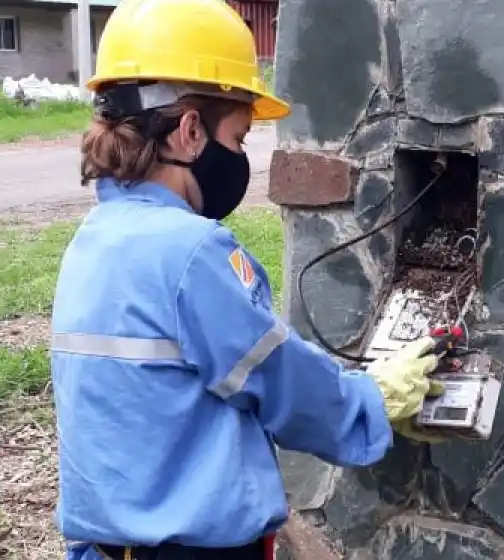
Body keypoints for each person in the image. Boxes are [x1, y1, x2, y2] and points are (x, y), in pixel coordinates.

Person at [51, 1, 443, 559]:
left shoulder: (91, 241)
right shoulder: (190, 253)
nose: (238, 159)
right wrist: (374, 397)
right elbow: (277, 380)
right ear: (190, 131)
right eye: (237, 140)